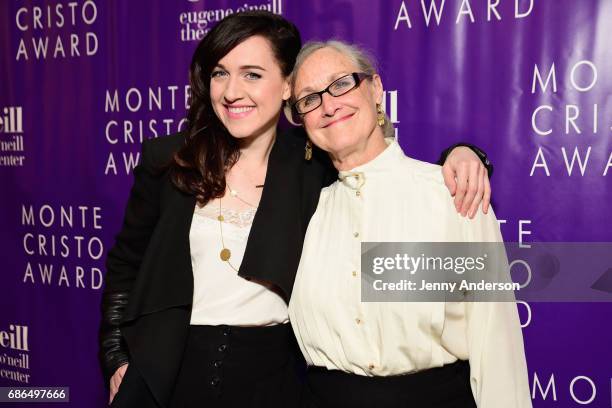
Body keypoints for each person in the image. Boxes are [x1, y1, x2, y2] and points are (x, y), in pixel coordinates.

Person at [99, 11, 495, 408]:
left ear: (288, 85)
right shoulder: (171, 159)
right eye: (220, 73)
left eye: (252, 74)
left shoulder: (312, 164)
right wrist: (116, 355)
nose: (232, 91)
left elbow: (374, 157)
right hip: (165, 371)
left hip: (271, 379)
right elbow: (126, 262)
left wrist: (464, 156)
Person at [287, 40, 531, 408]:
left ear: (376, 89)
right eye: (309, 98)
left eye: (341, 84)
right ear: (303, 120)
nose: (328, 105)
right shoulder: (306, 212)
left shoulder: (451, 196)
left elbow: (495, 342)